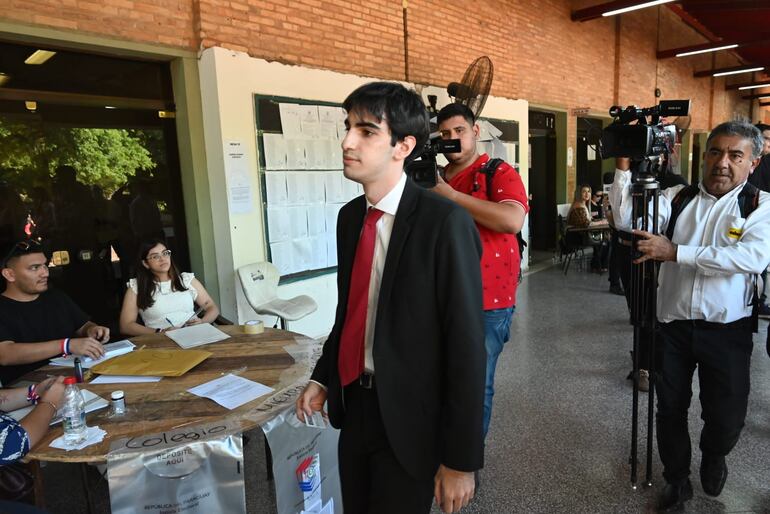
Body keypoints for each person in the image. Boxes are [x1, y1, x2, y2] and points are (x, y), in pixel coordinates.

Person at [295, 82, 485, 514]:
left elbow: (466, 347)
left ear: (404, 145)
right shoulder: (350, 219)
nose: (347, 141)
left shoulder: (444, 223)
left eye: (366, 131)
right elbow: (350, 311)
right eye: (348, 128)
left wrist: (460, 460)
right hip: (355, 407)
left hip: (411, 417)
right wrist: (323, 377)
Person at [610, 120, 770, 511]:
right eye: (715, 152)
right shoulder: (677, 198)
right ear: (704, 156)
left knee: (726, 414)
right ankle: (677, 480)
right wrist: (624, 167)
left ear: (754, 161)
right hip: (673, 327)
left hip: (727, 331)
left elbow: (751, 258)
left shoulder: (760, 204)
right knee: (669, 408)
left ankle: (715, 455)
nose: (722, 163)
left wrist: (676, 252)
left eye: (736, 155)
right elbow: (628, 220)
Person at [431, 102, 527, 440]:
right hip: (441, 297)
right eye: (445, 134)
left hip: (489, 300)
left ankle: (465, 462)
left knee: (476, 384)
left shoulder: (497, 172)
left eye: (459, 131)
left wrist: (449, 195)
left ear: (475, 132)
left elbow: (512, 219)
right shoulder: (433, 177)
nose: (453, 139)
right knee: (441, 380)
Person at [0, 240, 108, 386]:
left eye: (45, 265)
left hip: (74, 377)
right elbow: (5, 354)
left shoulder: (56, 297)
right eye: (34, 268)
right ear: (9, 274)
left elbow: (83, 325)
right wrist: (66, 345)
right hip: (26, 391)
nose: (45, 273)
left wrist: (93, 330)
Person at [119, 239, 219, 336]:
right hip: (161, 341)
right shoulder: (136, 287)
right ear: (145, 263)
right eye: (155, 256)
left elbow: (212, 307)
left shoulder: (186, 280)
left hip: (194, 335)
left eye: (165, 253)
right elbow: (126, 326)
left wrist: (202, 322)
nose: (162, 259)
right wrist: (159, 332)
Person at [747, 122, 770, 317]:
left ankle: (758, 301)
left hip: (763, 213)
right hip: (744, 211)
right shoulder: (746, 160)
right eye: (767, 138)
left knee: (760, 260)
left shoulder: (768, 162)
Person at [567, 184, 609, 272]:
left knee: (606, 239)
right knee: (606, 241)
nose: (587, 194)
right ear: (579, 194)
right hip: (578, 237)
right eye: (584, 192)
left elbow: (588, 222)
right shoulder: (579, 207)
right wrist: (602, 222)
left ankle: (598, 265)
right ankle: (598, 266)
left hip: (581, 234)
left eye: (589, 192)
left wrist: (598, 221)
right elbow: (586, 224)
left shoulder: (582, 205)